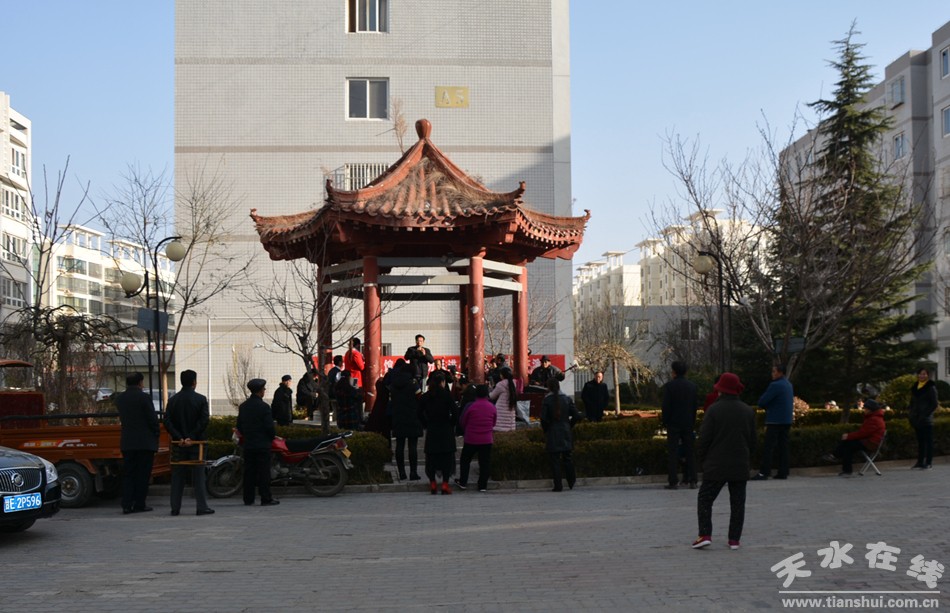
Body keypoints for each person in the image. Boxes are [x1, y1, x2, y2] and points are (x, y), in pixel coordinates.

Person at [693, 372, 756, 550]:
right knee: (738, 503)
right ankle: (734, 539)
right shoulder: (748, 411)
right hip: (740, 463)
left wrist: (702, 460)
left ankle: (705, 534)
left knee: (705, 498)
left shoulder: (714, 410)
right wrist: (748, 458)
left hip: (716, 464)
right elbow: (753, 441)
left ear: (721, 390)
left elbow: (704, 439)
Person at [163, 369, 214, 516]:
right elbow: (204, 420)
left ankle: (175, 507)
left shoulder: (173, 400)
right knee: (199, 476)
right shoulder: (201, 399)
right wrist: (191, 437)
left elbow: (167, 421)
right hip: (197, 443)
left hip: (178, 444)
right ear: (194, 382)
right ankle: (201, 507)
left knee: (177, 476)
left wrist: (179, 437)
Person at [117, 372, 160, 514]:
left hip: (128, 442)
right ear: (140, 382)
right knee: (143, 475)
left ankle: (126, 504)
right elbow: (152, 419)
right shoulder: (144, 398)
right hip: (145, 442)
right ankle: (139, 503)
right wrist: (156, 434)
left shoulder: (120, 398)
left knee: (128, 474)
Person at [236, 378, 279, 506]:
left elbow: (239, 426)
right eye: (264, 389)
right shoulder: (264, 407)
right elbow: (269, 427)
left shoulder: (243, 406)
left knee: (249, 472)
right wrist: (271, 437)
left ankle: (248, 498)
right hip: (263, 444)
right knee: (263, 472)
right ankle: (265, 498)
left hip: (249, 444)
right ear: (260, 391)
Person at [821, 398, 885, 476]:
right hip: (869, 441)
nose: (864, 410)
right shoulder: (874, 418)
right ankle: (835, 456)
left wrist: (848, 436)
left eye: (865, 409)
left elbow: (863, 433)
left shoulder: (874, 419)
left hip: (870, 443)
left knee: (848, 446)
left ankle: (841, 462)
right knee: (848, 443)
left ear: (870, 410)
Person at [751, 364, 794, 481]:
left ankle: (764, 472)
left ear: (780, 372)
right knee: (783, 446)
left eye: (774, 371)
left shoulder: (775, 385)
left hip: (774, 420)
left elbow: (762, 401)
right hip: (786, 420)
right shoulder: (788, 384)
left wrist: (767, 407)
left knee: (768, 447)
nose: (772, 374)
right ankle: (783, 472)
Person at [661, 361, 699, 490]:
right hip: (688, 422)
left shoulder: (669, 386)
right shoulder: (692, 386)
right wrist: (692, 421)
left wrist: (665, 421)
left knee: (673, 452)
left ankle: (673, 481)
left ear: (674, 372)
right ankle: (693, 479)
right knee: (690, 451)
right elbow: (694, 406)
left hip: (673, 423)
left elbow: (666, 406)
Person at [419, 372, 457, 495]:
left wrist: (426, 424)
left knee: (431, 458)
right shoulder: (447, 395)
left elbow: (418, 412)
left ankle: (433, 483)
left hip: (432, 429)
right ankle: (445, 484)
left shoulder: (426, 396)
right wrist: (452, 423)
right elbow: (455, 412)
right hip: (446, 429)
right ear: (442, 382)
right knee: (447, 457)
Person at [541, 379, 582, 492]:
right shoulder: (567, 399)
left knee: (555, 460)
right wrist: (569, 425)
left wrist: (546, 429)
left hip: (553, 431)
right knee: (567, 458)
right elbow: (576, 415)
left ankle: (558, 485)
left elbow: (543, 419)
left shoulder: (547, 400)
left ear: (549, 387)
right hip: (565, 431)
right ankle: (571, 481)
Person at [455, 384, 497, 492]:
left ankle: (463, 482)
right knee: (484, 462)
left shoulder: (470, 406)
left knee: (465, 460)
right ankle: (482, 485)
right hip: (486, 439)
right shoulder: (492, 406)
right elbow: (494, 422)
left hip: (471, 438)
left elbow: (462, 421)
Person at [389, 361, 423, 480]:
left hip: (398, 417)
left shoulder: (393, 384)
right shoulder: (413, 384)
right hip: (412, 417)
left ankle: (402, 473)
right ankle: (413, 473)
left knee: (399, 445)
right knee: (412, 446)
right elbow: (420, 398)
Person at [907, 367, 937, 470]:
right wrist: (911, 413)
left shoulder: (930, 387)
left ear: (927, 375)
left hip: (926, 419)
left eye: (924, 374)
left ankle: (928, 462)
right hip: (916, 418)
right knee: (920, 441)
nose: (922, 376)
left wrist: (925, 414)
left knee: (928, 442)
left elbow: (934, 404)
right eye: (920, 374)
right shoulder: (915, 387)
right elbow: (912, 402)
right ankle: (920, 462)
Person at [489, 366, 520, 432]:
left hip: (501, 412)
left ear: (502, 375)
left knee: (499, 432)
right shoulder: (513, 384)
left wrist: (490, 389)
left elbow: (492, 396)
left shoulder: (501, 384)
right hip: (510, 412)